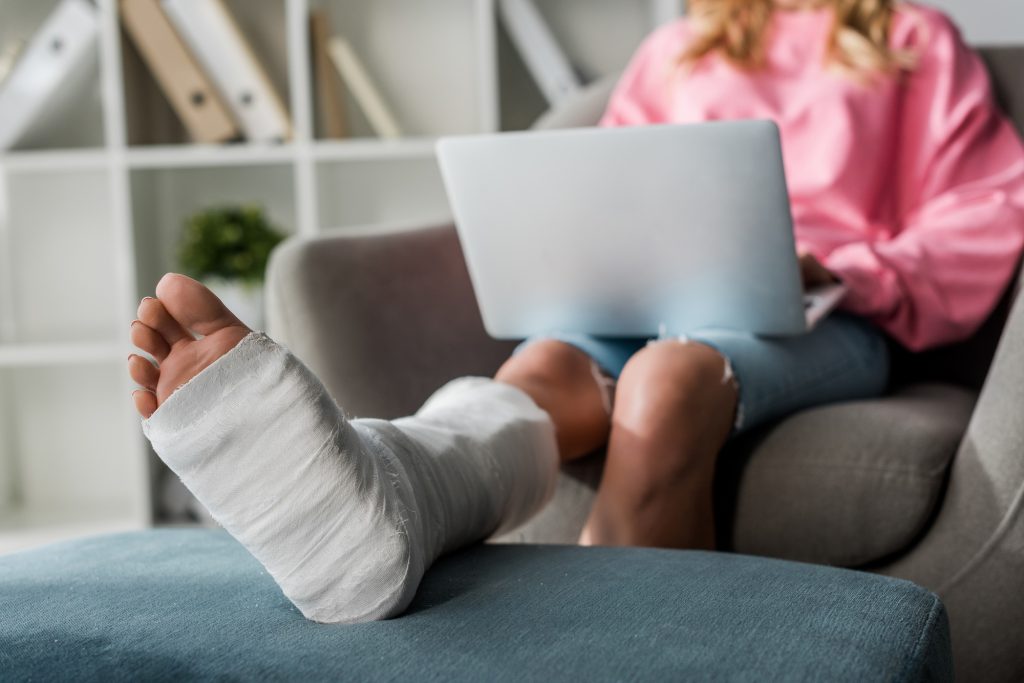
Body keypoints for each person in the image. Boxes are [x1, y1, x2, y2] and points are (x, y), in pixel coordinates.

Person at [127, 0, 1024, 624]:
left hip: (818, 315)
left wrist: (840, 264)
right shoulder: (677, 50)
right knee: (537, 370)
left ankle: (611, 643)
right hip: (644, 296)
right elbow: (607, 190)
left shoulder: (915, 40)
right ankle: (385, 498)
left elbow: (990, 209)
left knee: (665, 379)